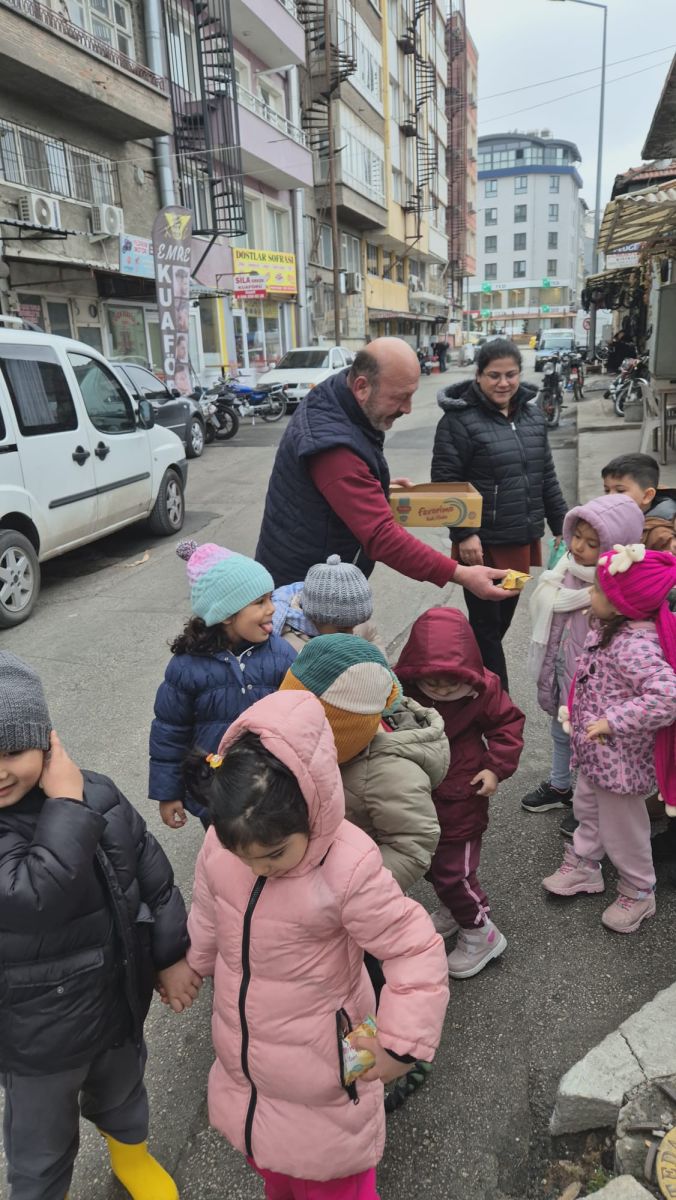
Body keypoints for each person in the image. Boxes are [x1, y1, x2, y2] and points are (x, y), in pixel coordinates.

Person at [183, 690, 450, 1199]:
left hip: (332, 1062)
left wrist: (399, 1044)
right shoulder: (223, 847)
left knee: (335, 1174)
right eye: (245, 857)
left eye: (274, 854)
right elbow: (208, 908)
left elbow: (413, 948)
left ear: (312, 810)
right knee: (274, 1161)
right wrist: (193, 962)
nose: (258, 868)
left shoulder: (347, 867)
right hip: (251, 1058)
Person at [0, 652, 195, 1200]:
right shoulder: (72, 800)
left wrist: (171, 954)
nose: (0, 770)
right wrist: (65, 802)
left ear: (47, 742)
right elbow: (32, 898)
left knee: (125, 1093)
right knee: (40, 1144)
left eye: (12, 751)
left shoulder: (99, 793)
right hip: (36, 1035)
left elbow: (153, 877)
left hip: (115, 1000)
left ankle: (132, 1157)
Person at [255, 337, 513, 602]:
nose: (408, 408)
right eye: (400, 397)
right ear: (361, 387)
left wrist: (374, 486)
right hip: (303, 594)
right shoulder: (333, 447)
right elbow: (381, 536)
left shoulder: (337, 395)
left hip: (317, 576)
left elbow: (332, 485)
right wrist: (461, 574)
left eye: (411, 395)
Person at [542, 544, 676, 933]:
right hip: (596, 754)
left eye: (599, 590)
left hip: (621, 761)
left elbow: (667, 697)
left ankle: (639, 889)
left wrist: (612, 721)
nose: (591, 593)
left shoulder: (635, 645)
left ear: (622, 604)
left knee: (624, 830)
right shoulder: (609, 629)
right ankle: (585, 865)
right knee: (587, 809)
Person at [431, 337, 568, 692]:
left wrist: (563, 525)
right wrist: (465, 533)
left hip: (520, 543)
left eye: (510, 375)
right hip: (482, 547)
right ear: (478, 375)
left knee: (501, 620)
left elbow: (545, 476)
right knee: (486, 626)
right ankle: (496, 699)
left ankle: (471, 683)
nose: (503, 383)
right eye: (494, 375)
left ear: (520, 374)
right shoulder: (458, 421)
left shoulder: (533, 417)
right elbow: (446, 483)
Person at [395, 607, 525, 978]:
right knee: (432, 865)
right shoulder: (404, 688)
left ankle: (481, 932)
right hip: (419, 793)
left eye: (450, 683)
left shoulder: (483, 689)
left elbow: (507, 726)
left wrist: (494, 767)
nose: (440, 691)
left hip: (462, 794)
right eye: (432, 683)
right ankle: (455, 910)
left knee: (456, 873)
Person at [278, 635, 445, 895]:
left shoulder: (390, 772)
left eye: (311, 733)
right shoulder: (312, 749)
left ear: (348, 731)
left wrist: (349, 890)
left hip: (348, 891)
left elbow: (412, 845)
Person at [149, 540, 296, 830]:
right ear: (227, 614)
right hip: (216, 787)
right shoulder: (186, 667)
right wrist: (168, 793)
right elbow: (169, 732)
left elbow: (303, 710)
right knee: (225, 845)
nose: (272, 609)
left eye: (271, 598)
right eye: (260, 602)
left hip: (274, 779)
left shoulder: (281, 654)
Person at [522, 494, 645, 823]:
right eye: (576, 536)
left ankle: (589, 806)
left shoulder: (617, 589)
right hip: (562, 670)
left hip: (596, 686)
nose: (578, 546)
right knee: (560, 732)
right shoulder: (565, 568)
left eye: (592, 543)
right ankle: (560, 785)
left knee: (593, 744)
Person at [272, 554, 385, 654]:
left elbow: (372, 636)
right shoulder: (292, 647)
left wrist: (380, 664)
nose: (351, 634)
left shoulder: (352, 619)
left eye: (356, 624)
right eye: (342, 630)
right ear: (315, 619)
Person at [602, 452, 676, 530]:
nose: (610, 497)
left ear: (647, 496)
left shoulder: (662, 530)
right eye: (607, 490)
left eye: (620, 491)